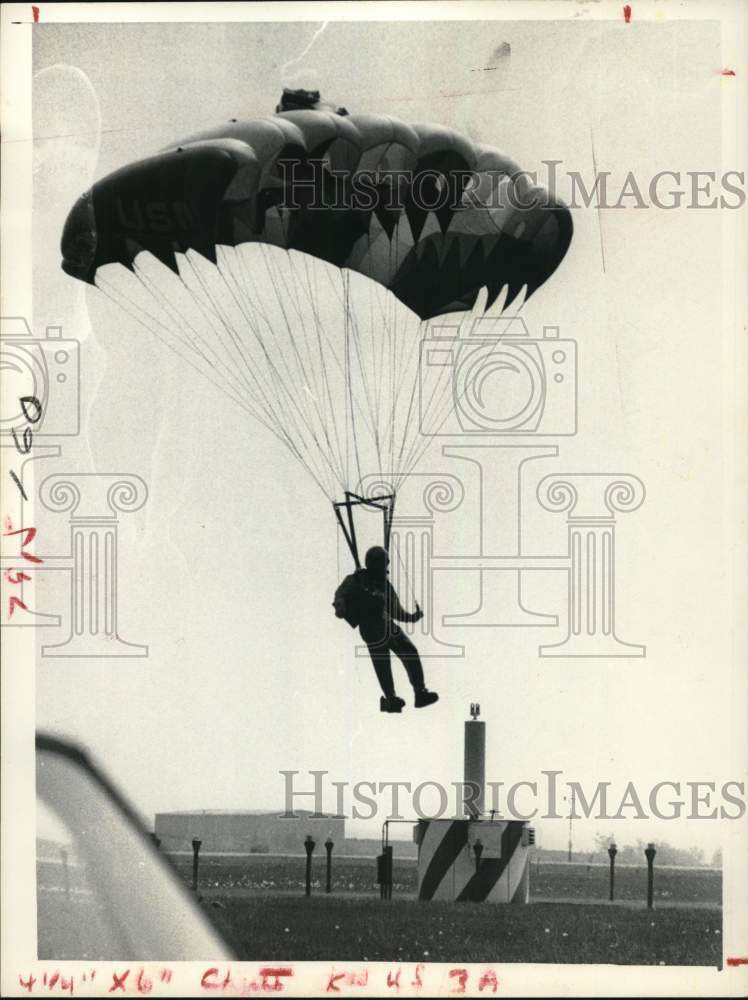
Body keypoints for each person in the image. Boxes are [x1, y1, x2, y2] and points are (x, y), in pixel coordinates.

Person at [357, 546, 439, 714]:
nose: (386, 569)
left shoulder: (385, 585)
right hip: (372, 628)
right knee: (383, 663)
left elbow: (396, 610)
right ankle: (390, 698)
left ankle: (419, 692)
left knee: (409, 651)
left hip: (387, 625)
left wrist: (412, 617)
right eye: (384, 565)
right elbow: (341, 597)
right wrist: (341, 606)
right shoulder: (357, 580)